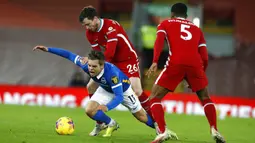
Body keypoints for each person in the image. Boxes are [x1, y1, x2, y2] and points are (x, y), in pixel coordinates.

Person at [33, 46, 155, 137]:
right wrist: (48, 49)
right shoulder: (86, 65)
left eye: (94, 67)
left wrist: (107, 107)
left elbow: (119, 97)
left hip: (123, 90)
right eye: (90, 66)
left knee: (141, 117)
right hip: (105, 88)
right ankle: (111, 123)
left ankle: (161, 129)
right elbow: (68, 55)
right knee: (89, 110)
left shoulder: (112, 74)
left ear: (102, 66)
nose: (90, 69)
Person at [146, 3, 226, 143]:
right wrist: (200, 73)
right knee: (205, 98)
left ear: (172, 14)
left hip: (175, 63)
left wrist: (154, 61)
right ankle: (214, 129)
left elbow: (159, 42)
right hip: (195, 66)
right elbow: (205, 57)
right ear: (186, 16)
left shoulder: (165, 23)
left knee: (154, 97)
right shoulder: (197, 29)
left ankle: (163, 131)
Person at [79, 6, 153, 135]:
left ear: (95, 19)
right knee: (90, 86)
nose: (87, 28)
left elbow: (110, 53)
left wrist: (103, 67)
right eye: (85, 25)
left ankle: (155, 118)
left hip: (127, 59)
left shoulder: (111, 26)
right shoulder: (89, 33)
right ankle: (99, 122)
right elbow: (97, 53)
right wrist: (92, 62)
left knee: (137, 90)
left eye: (89, 24)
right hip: (110, 62)